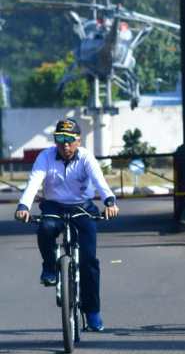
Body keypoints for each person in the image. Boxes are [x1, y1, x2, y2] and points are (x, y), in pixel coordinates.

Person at [14, 118, 119, 331]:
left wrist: (110, 202)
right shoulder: (45, 157)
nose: (65, 145)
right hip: (54, 206)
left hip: (82, 207)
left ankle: (92, 312)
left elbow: (100, 181)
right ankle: (50, 267)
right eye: (60, 139)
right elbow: (34, 182)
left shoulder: (86, 158)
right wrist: (23, 206)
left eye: (70, 140)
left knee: (89, 262)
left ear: (78, 141)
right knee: (45, 228)